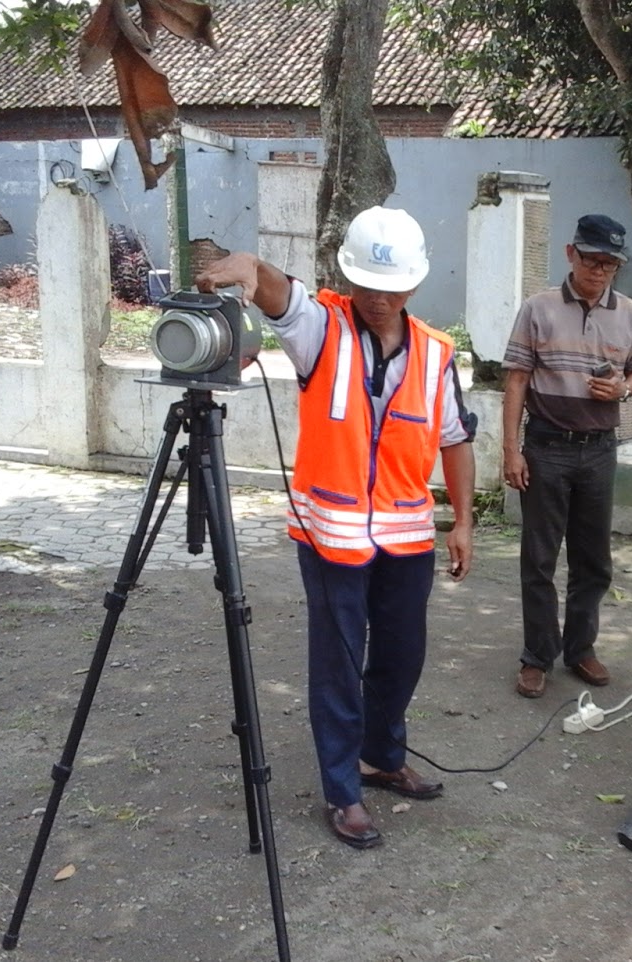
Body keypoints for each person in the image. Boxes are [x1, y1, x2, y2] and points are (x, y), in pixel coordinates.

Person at [195, 206, 477, 850]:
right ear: (350, 278)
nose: (378, 300)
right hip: (331, 536)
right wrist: (253, 267)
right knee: (339, 665)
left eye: (392, 288)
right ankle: (343, 789)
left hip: (408, 538)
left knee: (402, 658)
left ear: (414, 284)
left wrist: (463, 522)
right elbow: (281, 297)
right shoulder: (323, 328)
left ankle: (382, 759)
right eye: (367, 285)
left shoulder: (435, 353)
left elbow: (456, 440)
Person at [501, 214, 632, 699]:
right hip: (546, 448)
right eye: (591, 260)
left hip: (599, 450)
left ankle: (580, 648)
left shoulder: (630, 314)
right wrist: (511, 450)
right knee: (539, 559)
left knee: (593, 561)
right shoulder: (538, 308)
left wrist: (621, 389)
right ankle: (537, 656)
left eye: (610, 264)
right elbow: (516, 380)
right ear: (571, 253)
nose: (599, 271)